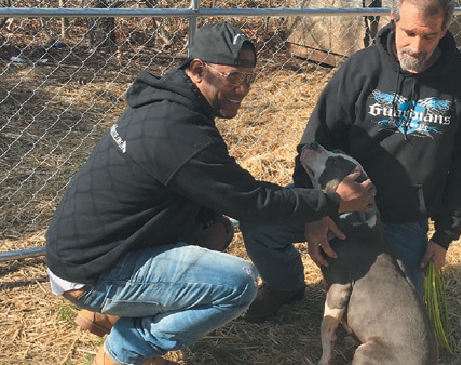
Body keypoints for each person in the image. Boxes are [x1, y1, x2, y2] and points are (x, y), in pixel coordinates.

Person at [44, 22, 375, 365]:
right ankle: (127, 346)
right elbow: (252, 201)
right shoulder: (180, 132)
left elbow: (222, 195)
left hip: (91, 251)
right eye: (233, 78)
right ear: (199, 70)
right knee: (238, 284)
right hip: (93, 272)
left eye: (249, 78)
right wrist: (333, 202)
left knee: (216, 230)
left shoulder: (166, 102)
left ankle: (107, 315)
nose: (243, 89)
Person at [240, 0, 461, 322]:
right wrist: (316, 210)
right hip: (339, 201)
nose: (417, 47)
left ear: (444, 30)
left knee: (397, 318)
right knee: (260, 224)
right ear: (393, 19)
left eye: (430, 36)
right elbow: (316, 140)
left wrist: (445, 236)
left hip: (401, 219)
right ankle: (285, 286)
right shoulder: (362, 68)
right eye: (410, 33)